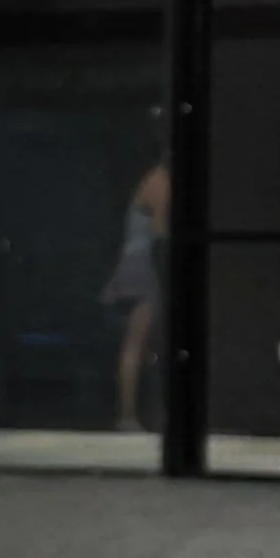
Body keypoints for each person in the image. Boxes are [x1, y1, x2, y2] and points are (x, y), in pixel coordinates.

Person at [99, 153, 169, 432]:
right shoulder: (161, 180)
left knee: (142, 343)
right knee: (136, 341)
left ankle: (137, 412)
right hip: (144, 265)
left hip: (143, 262)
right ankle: (127, 414)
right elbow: (160, 228)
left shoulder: (157, 177)